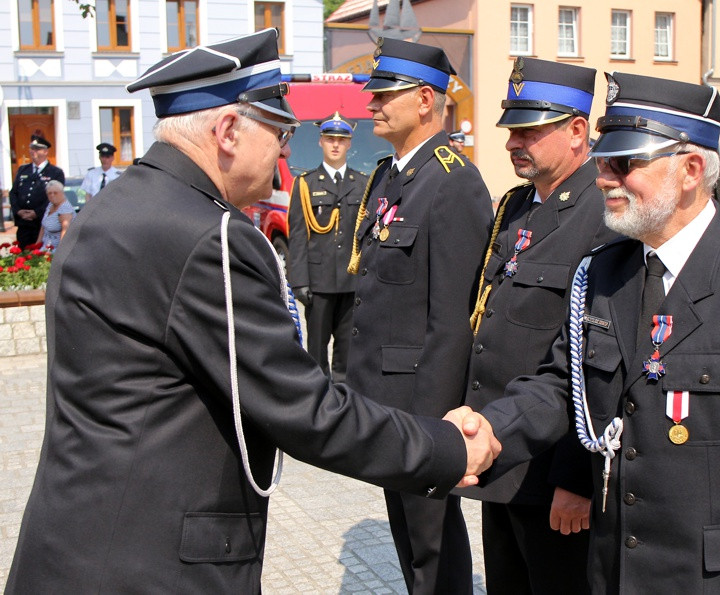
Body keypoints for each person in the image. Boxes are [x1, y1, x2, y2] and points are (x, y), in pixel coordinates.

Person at [5, 30, 505, 593]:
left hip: (76, 544)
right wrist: (442, 449)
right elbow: (302, 408)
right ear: (226, 132)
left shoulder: (109, 209)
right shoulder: (208, 237)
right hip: (153, 564)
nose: (286, 153)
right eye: (280, 132)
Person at [479, 71, 720, 591]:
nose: (604, 177)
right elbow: (562, 386)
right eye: (604, 160)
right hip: (612, 573)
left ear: (691, 169)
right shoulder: (605, 273)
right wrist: (486, 432)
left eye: (625, 163)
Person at [346, 37, 494, 594]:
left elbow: (453, 318)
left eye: (386, 94)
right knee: (407, 534)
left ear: (426, 100)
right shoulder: (389, 176)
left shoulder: (454, 181)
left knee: (432, 540)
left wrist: (434, 427)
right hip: (385, 399)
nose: (372, 103)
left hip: (420, 406)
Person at [461, 57, 614, 595]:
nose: (512, 143)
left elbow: (594, 361)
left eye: (530, 130)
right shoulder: (517, 206)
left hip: (551, 469)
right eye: (511, 130)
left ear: (577, 132)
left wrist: (574, 477)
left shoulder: (602, 213)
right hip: (501, 455)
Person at [287, 112, 366, 383]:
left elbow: (367, 237)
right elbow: (297, 235)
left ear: (349, 144)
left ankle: (344, 398)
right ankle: (317, 397)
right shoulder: (305, 184)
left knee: (347, 350)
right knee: (316, 351)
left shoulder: (363, 184)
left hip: (351, 280)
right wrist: (299, 281)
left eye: (341, 140)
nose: (335, 145)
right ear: (320, 142)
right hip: (318, 282)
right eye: (330, 139)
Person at [8, 134, 66, 247]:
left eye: (37, 149)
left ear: (45, 152)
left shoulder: (55, 172)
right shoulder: (23, 170)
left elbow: (56, 198)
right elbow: (13, 193)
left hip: (43, 223)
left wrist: (37, 213)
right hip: (24, 224)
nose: (33, 151)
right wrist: (18, 211)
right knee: (23, 257)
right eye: (32, 148)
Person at [34, 180, 75, 250]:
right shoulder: (50, 205)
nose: (52, 195)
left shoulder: (65, 209)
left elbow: (65, 233)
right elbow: (43, 227)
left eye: (55, 193)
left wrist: (60, 253)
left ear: (62, 193)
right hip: (45, 247)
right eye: (49, 193)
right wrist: (36, 246)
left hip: (56, 249)